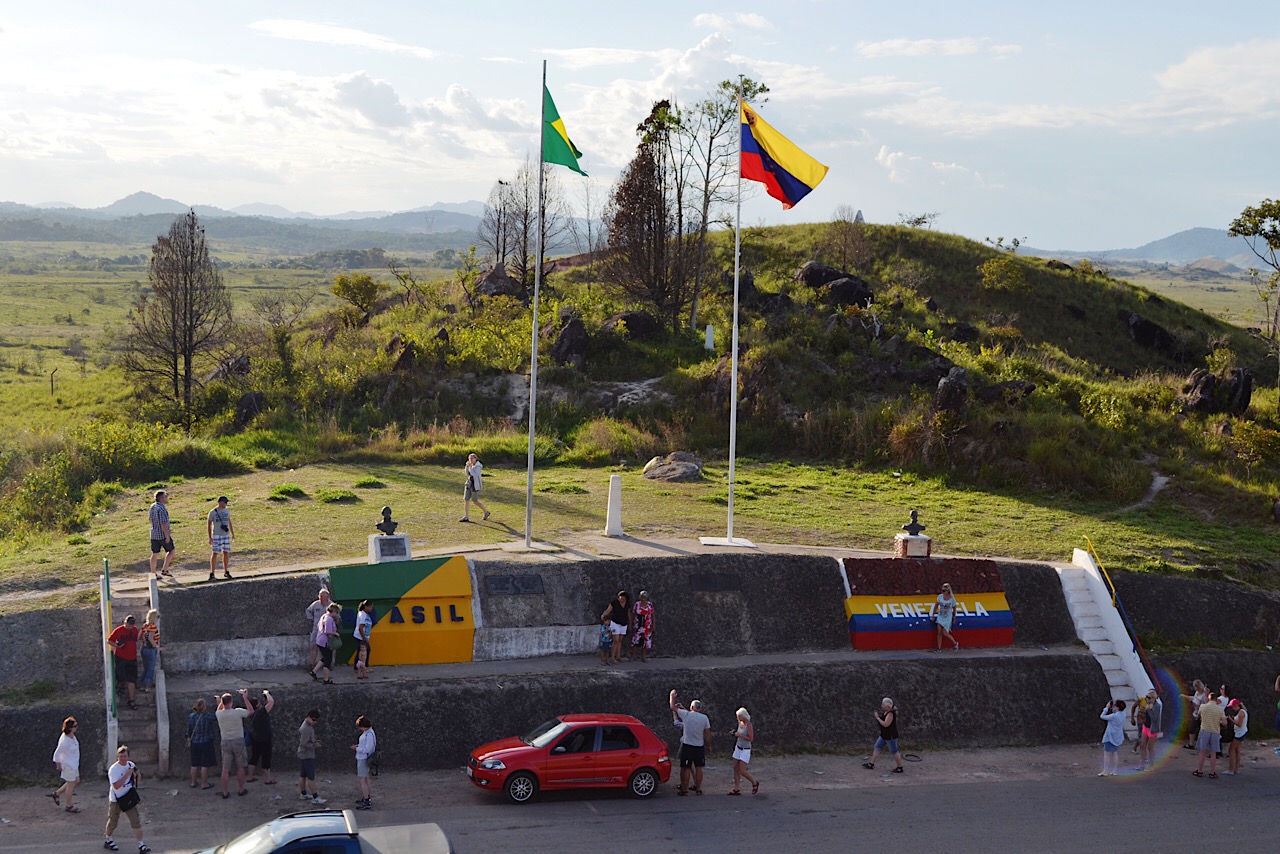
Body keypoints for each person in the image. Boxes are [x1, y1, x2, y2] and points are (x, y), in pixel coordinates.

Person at [103, 745, 150, 853]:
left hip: (128, 797)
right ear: (117, 757)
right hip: (116, 799)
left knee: (135, 821)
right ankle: (108, 839)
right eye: (121, 756)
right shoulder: (113, 769)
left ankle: (141, 845)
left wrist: (137, 774)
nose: (123, 759)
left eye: (125, 756)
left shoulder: (131, 765)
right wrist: (127, 774)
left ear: (128, 756)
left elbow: (138, 778)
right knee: (113, 822)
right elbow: (116, 786)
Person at [669, 688, 711, 796]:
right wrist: (709, 746)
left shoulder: (687, 715)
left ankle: (685, 788)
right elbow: (707, 733)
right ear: (700, 708)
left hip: (688, 745)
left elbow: (673, 707)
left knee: (685, 768)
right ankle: (698, 788)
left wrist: (672, 697)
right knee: (698, 768)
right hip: (699, 745)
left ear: (691, 707)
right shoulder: (704, 718)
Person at [216, 688, 251, 798]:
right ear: (231, 702)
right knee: (240, 767)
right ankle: (241, 789)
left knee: (225, 768)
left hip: (225, 741)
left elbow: (220, 708)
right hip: (238, 741)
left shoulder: (219, 714)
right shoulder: (237, 712)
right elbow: (251, 711)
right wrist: (245, 698)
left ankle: (225, 792)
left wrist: (221, 701)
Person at [863, 697, 905, 773]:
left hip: (890, 736)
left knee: (894, 751)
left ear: (888, 706)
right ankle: (871, 764)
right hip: (884, 735)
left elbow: (886, 724)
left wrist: (878, 718)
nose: (881, 706)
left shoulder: (891, 714)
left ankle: (900, 767)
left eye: (883, 705)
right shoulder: (886, 712)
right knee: (877, 747)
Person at [108, 614, 141, 710]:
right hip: (121, 657)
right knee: (120, 676)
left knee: (132, 679)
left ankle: (131, 700)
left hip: (132, 658)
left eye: (132, 624)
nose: (131, 626)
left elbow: (137, 638)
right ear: (125, 622)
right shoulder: (119, 630)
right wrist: (117, 645)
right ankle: (121, 686)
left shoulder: (134, 630)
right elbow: (109, 640)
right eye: (129, 624)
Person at [50, 716, 80, 813]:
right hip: (68, 765)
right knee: (71, 784)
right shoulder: (65, 741)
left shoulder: (71, 736)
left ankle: (57, 793)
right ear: (70, 728)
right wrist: (58, 765)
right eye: (75, 725)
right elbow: (57, 753)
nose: (77, 727)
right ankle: (68, 805)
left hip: (74, 763)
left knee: (76, 781)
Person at [297, 709, 327, 805]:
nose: (315, 722)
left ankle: (303, 794)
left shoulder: (306, 725)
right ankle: (315, 797)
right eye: (314, 720)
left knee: (303, 775)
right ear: (309, 717)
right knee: (311, 777)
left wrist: (314, 742)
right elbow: (303, 743)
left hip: (303, 754)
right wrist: (315, 745)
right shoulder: (306, 728)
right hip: (307, 755)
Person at [186, 698, 218, 789]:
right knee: (205, 764)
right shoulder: (207, 716)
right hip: (206, 742)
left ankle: (193, 782)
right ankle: (204, 783)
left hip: (195, 742)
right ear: (203, 707)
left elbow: (188, 730)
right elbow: (216, 717)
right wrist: (219, 704)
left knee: (194, 764)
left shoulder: (191, 716)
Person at [247, 689, 276, 784]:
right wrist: (267, 693)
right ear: (258, 704)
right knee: (266, 758)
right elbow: (271, 702)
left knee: (254, 757)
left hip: (255, 738)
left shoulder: (251, 713)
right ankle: (268, 779)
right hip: (265, 739)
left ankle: (250, 776)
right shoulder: (262, 712)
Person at [729, 707, 759, 795]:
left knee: (742, 770)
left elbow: (750, 738)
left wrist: (740, 735)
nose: (738, 718)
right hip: (738, 747)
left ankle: (754, 782)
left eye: (739, 716)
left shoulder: (749, 725)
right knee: (735, 768)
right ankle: (737, 788)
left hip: (745, 749)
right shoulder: (740, 723)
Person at [1194, 692, 1224, 778]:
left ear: (1208, 698)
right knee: (1213, 753)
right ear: (1216, 699)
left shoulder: (1203, 707)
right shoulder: (1220, 709)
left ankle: (1200, 770)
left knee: (1202, 752)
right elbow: (1224, 722)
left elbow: (1199, 716)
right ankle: (1212, 772)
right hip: (1215, 731)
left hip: (1204, 730)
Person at [311, 602, 341, 684]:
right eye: (336, 612)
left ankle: (314, 671)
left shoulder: (324, 616)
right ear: (333, 611)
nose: (336, 614)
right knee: (328, 660)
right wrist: (335, 633)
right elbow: (327, 631)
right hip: (325, 642)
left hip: (320, 641)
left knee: (325, 658)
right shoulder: (329, 619)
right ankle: (326, 679)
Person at [206, 496, 235, 581]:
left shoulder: (227, 510)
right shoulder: (213, 512)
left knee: (226, 552)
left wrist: (232, 533)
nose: (226, 504)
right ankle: (212, 573)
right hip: (217, 535)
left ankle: (226, 571)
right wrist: (210, 537)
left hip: (225, 534)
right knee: (215, 553)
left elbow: (229, 522)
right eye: (225, 502)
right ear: (220, 502)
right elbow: (209, 525)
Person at [148, 489, 174, 579]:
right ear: (162, 498)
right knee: (171, 551)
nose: (167, 498)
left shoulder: (152, 506)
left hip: (154, 533)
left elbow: (150, 519)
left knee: (155, 553)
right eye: (166, 496)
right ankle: (165, 569)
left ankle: (153, 573)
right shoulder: (161, 508)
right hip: (162, 534)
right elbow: (163, 523)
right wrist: (167, 536)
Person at [351, 715, 376, 810]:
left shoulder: (368, 734)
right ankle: (367, 797)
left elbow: (368, 749)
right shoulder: (369, 732)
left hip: (363, 758)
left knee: (362, 780)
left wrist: (357, 748)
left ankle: (366, 800)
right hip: (363, 757)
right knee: (365, 779)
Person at [600, 590, 630, 665]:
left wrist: (630, 623)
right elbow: (608, 610)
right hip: (615, 622)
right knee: (615, 640)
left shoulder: (628, 604)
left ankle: (618, 656)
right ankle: (612, 657)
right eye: (621, 598)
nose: (622, 599)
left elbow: (629, 613)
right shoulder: (614, 603)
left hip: (624, 623)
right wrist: (603, 615)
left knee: (620, 640)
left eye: (623, 598)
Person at [1135, 688, 1163, 771]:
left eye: (1149, 697)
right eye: (1147, 697)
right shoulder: (1146, 704)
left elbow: (1154, 718)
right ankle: (1142, 765)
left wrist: (1149, 710)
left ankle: (1152, 765)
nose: (1147, 699)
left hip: (1152, 728)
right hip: (1145, 726)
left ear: (1154, 698)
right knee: (1143, 745)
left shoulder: (1157, 706)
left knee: (1150, 748)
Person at [305, 588, 332, 673]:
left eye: (322, 597)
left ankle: (328, 664)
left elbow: (337, 616)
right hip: (316, 628)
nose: (320, 598)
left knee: (328, 648)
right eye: (320, 596)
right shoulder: (315, 604)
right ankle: (312, 664)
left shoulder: (331, 605)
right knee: (313, 646)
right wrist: (311, 618)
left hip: (326, 630)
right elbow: (308, 610)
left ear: (327, 597)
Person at [1099, 698, 1127, 776]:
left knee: (1106, 753)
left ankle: (1105, 771)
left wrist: (1106, 708)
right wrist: (1113, 706)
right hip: (1117, 736)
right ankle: (1114, 771)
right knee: (1115, 753)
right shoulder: (1123, 714)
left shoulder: (1113, 716)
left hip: (1110, 736)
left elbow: (1102, 716)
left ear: (1117, 707)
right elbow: (1117, 712)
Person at [460, 452, 490, 522]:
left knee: (475, 500)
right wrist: (467, 466)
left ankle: (486, 512)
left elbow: (475, 474)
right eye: (469, 459)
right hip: (469, 483)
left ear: (476, 459)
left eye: (472, 458)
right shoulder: (470, 465)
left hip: (475, 485)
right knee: (466, 499)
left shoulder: (478, 466)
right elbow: (467, 473)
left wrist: (470, 467)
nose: (470, 460)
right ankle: (466, 516)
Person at [929, 583, 959, 651]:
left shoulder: (952, 599)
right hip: (940, 616)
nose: (943, 592)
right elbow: (936, 606)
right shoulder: (940, 597)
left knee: (945, 632)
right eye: (942, 590)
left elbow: (954, 608)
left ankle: (955, 643)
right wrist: (933, 614)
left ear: (948, 591)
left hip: (947, 617)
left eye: (944, 591)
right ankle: (939, 648)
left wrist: (954, 617)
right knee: (939, 632)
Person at [138, 609, 162, 694]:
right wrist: (157, 647)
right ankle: (147, 686)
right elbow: (150, 638)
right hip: (151, 649)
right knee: (150, 669)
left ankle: (142, 685)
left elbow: (139, 636)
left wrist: (144, 641)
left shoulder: (145, 626)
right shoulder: (153, 627)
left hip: (144, 649)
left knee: (146, 668)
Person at [1181, 679, 1208, 750]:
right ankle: (1191, 744)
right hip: (1195, 713)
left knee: (1202, 730)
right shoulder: (1197, 693)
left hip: (1201, 715)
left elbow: (1206, 705)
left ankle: (1202, 745)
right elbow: (1193, 698)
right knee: (1192, 728)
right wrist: (1184, 696)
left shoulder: (1204, 696)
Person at [629, 590, 655, 662]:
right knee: (635, 640)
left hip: (647, 625)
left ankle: (643, 657)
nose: (643, 598)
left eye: (645, 597)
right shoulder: (637, 604)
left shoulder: (650, 605)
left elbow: (653, 615)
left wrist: (653, 625)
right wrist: (630, 624)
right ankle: (633, 656)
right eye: (642, 597)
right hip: (638, 624)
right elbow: (632, 614)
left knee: (646, 641)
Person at [1224, 699, 1247, 776]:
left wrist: (1231, 720)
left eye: (1233, 707)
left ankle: (1231, 769)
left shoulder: (1241, 713)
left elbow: (1239, 724)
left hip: (1239, 734)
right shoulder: (1243, 711)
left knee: (1231, 750)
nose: (1232, 709)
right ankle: (1236, 769)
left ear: (1236, 706)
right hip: (1242, 732)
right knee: (1237, 751)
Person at [354, 600, 374, 680]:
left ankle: (360, 668)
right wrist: (364, 639)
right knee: (364, 652)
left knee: (361, 652)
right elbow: (361, 628)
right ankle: (361, 668)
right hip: (361, 637)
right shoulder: (363, 615)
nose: (371, 609)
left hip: (363, 637)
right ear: (366, 607)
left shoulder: (364, 614)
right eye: (370, 607)